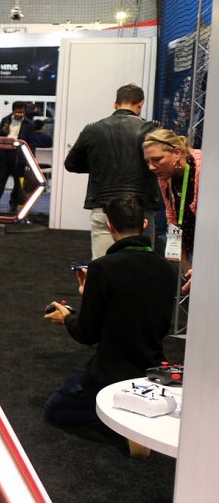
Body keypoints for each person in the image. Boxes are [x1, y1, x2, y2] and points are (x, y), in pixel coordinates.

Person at [43, 195, 177, 445]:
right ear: (145, 224)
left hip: (110, 372)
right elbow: (155, 322)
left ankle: (124, 431)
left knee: (56, 408)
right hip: (150, 370)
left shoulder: (102, 268)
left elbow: (86, 333)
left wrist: (67, 318)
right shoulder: (167, 269)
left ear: (110, 226)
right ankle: (137, 421)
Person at [64, 84, 160, 259]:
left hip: (103, 205)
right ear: (141, 103)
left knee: (103, 264)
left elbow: (71, 164)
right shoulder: (152, 130)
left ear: (115, 104)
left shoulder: (92, 129)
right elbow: (162, 164)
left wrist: (98, 166)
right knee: (141, 264)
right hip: (141, 207)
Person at [143, 129, 200, 294]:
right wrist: (186, 266)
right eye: (148, 161)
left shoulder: (204, 169)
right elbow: (173, 217)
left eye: (157, 159)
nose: (151, 167)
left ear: (177, 153)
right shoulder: (165, 176)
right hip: (195, 250)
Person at [0, 101, 35, 213]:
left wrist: (30, 158)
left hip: (20, 157)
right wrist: (3, 132)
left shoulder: (30, 124)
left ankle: (14, 204)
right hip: (5, 155)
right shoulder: (5, 120)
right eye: (17, 112)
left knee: (18, 183)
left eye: (22, 112)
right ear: (13, 111)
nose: (19, 114)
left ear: (25, 111)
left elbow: (32, 142)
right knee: (0, 181)